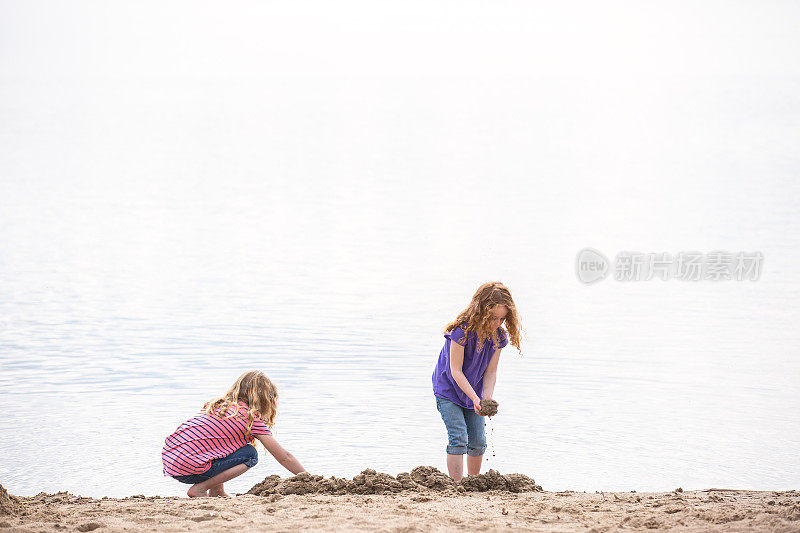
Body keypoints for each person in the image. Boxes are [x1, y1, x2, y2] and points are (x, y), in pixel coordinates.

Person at [162, 370, 306, 497]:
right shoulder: (250, 417)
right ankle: (200, 489)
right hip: (191, 467)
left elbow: (214, 447)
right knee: (250, 454)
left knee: (224, 447)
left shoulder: (218, 406)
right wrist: (308, 478)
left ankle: (216, 492)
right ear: (265, 399)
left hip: (173, 464)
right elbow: (285, 457)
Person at [432, 281, 522, 481]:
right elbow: (455, 371)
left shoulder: (498, 337)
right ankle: (457, 485)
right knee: (459, 437)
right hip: (448, 389)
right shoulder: (461, 331)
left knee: (479, 441)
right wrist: (475, 397)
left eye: (501, 319)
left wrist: (486, 398)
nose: (497, 323)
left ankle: (472, 483)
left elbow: (490, 372)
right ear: (480, 311)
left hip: (473, 393)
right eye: (492, 318)